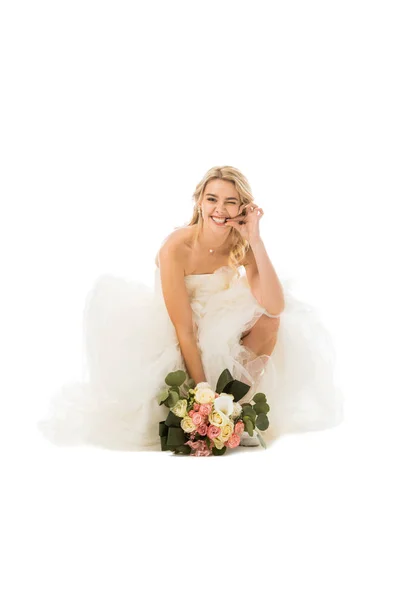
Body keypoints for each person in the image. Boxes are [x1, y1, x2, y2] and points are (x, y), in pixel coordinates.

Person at [38, 166, 344, 451]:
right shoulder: (176, 247)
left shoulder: (241, 242)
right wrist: (203, 398)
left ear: (242, 209)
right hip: (178, 329)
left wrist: (256, 238)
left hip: (219, 321)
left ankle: (236, 409)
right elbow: (185, 328)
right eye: (212, 199)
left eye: (230, 202)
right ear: (199, 201)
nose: (220, 209)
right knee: (183, 369)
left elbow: (275, 306)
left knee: (270, 322)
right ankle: (212, 408)